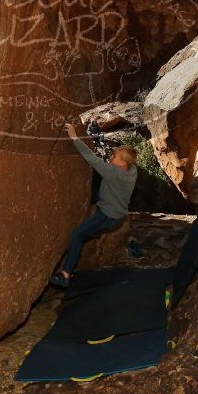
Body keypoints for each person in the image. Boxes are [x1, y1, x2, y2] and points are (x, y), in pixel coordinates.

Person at [50, 123, 138, 288]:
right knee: (91, 219)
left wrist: (74, 136)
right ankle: (77, 256)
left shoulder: (114, 173)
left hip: (107, 215)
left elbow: (92, 159)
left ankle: (66, 275)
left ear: (122, 164)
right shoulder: (132, 171)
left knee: (77, 235)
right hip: (116, 214)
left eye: (114, 156)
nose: (111, 157)